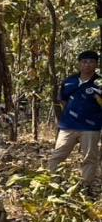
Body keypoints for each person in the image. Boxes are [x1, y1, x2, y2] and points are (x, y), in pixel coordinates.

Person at [47, 50, 101, 189]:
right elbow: (63, 101)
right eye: (84, 61)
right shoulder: (69, 81)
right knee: (57, 155)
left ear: (96, 64)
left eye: (91, 62)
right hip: (68, 126)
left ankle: (85, 187)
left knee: (89, 158)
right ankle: (52, 185)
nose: (87, 65)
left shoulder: (99, 83)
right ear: (79, 64)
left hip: (91, 128)